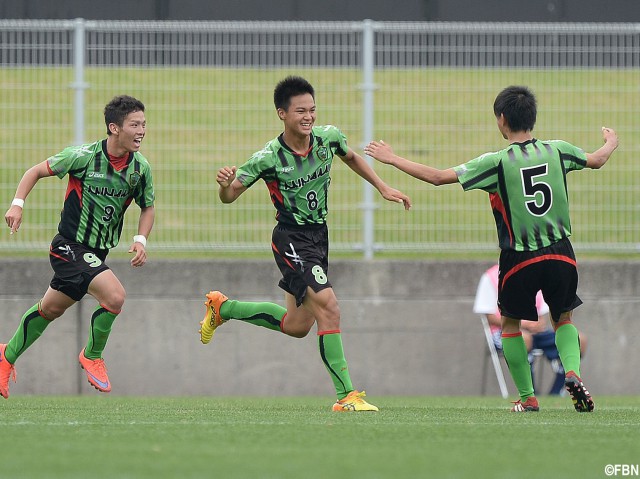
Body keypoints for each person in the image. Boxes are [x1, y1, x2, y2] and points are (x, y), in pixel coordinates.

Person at [365, 85, 617, 412]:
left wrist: (391, 157)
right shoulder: (558, 150)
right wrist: (610, 142)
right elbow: (596, 160)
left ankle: (528, 398)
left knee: (511, 325)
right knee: (564, 319)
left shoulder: (496, 162)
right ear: (533, 118)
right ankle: (571, 372)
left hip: (519, 257)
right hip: (561, 253)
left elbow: (439, 177)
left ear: (501, 120)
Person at [199, 75, 411, 412]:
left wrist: (382, 186)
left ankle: (222, 308)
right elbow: (230, 196)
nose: (309, 117)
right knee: (330, 307)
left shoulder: (328, 138)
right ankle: (347, 397)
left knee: (297, 326)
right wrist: (224, 186)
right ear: (282, 114)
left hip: (319, 237)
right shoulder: (268, 157)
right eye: (301, 111)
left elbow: (352, 156)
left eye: (312, 109)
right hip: (291, 239)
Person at [0, 95, 155, 398]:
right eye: (134, 124)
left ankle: (6, 356)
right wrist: (17, 205)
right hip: (68, 246)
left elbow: (147, 206)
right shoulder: (83, 156)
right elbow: (35, 171)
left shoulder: (140, 169)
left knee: (49, 310)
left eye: (144, 124)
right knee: (115, 296)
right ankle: (92, 355)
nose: (141, 130)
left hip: (96, 254)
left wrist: (140, 239)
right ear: (114, 128)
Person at [474, 264, 587, 396]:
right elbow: (490, 317)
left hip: (535, 333)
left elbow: (542, 312)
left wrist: (537, 324)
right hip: (503, 331)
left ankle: (557, 392)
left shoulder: (534, 272)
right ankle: (530, 394)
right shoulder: (491, 277)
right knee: (524, 339)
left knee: (580, 340)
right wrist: (524, 324)